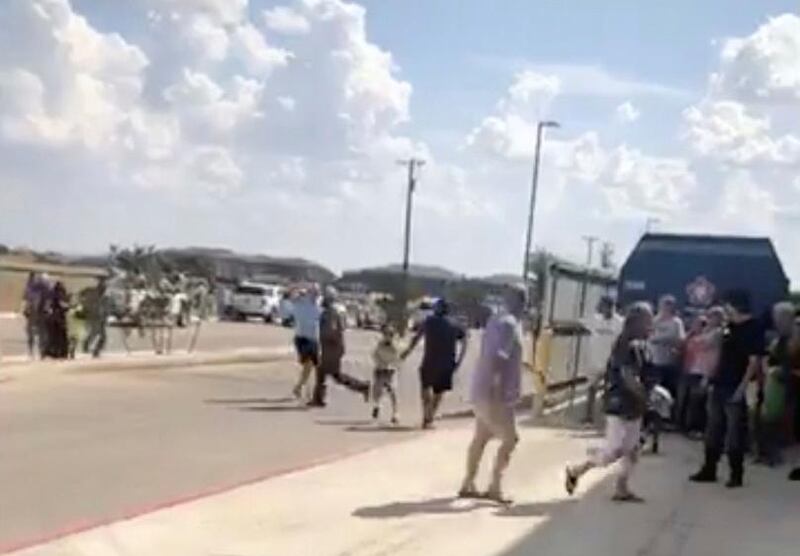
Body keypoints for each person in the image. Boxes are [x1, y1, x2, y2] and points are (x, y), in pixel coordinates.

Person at [565, 302, 653, 503]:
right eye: (647, 319)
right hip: (620, 403)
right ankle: (576, 470)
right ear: (636, 321)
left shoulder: (640, 343)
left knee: (632, 450)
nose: (650, 323)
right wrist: (644, 395)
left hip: (633, 404)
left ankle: (622, 488)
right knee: (612, 451)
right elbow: (627, 375)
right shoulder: (625, 343)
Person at [690, 290, 765, 488]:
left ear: (736, 305)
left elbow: (754, 361)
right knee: (713, 428)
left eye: (728, 305)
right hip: (720, 382)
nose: (725, 309)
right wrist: (710, 376)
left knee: (734, 432)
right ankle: (709, 468)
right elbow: (720, 354)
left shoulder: (754, 328)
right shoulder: (729, 327)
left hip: (736, 384)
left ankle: (736, 474)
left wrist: (742, 388)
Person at [459, 284, 526, 505]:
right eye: (524, 299)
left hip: (481, 389)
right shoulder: (510, 325)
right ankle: (495, 487)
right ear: (520, 301)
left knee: (482, 437)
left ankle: (468, 483)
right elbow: (499, 357)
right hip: (496, 393)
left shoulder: (496, 320)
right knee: (510, 439)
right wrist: (497, 389)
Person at [401, 298, 468, 429]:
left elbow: (416, 338)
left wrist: (406, 352)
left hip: (430, 361)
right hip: (447, 363)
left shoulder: (429, 322)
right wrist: (459, 361)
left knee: (426, 388)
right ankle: (429, 418)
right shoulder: (455, 325)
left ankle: (427, 416)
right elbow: (465, 343)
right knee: (439, 392)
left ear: (437, 309)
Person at [309, 287, 370, 407]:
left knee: (334, 375)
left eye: (324, 298)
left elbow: (332, 330)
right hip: (333, 347)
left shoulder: (330, 312)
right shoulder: (335, 310)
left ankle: (362, 386)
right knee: (324, 373)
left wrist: (323, 340)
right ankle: (318, 399)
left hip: (331, 348)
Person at [758, 302, 800, 466]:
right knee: (769, 415)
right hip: (780, 380)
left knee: (780, 416)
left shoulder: (796, 335)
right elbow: (772, 357)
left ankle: (775, 452)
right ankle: (768, 452)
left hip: (792, 380)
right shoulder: (780, 337)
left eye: (780, 317)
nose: (777, 320)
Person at [582, 295, 624, 424]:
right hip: (595, 360)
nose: (604, 309)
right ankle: (589, 417)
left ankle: (607, 417)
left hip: (611, 361)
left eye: (607, 306)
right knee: (591, 388)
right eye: (603, 306)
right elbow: (579, 322)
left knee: (608, 390)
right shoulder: (595, 319)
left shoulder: (620, 322)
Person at [648, 295, 685, 405]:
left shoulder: (676, 322)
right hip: (653, 360)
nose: (664, 309)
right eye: (662, 306)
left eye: (667, 306)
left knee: (667, 390)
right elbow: (648, 335)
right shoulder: (654, 320)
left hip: (668, 362)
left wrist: (659, 339)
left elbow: (679, 339)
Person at [290, 287, 322, 401]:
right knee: (309, 365)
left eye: (317, 293)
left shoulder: (316, 306)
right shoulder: (304, 303)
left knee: (309, 366)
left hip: (309, 338)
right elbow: (291, 295)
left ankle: (300, 388)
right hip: (304, 338)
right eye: (314, 293)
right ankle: (301, 388)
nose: (316, 295)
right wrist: (299, 291)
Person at [371, 324, 401, 424]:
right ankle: (377, 405)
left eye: (391, 334)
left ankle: (395, 414)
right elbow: (375, 355)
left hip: (391, 371)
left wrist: (392, 365)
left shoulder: (396, 346)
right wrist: (379, 363)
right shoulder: (380, 344)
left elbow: (398, 358)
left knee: (393, 392)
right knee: (377, 390)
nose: (388, 336)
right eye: (386, 334)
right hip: (380, 369)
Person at [83, 277, 109, 358]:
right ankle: (87, 346)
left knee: (102, 336)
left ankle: (96, 350)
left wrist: (106, 316)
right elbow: (88, 304)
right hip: (94, 317)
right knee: (95, 333)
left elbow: (106, 308)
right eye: (102, 286)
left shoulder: (105, 296)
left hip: (101, 318)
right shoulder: (93, 294)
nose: (103, 288)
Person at [43, 281, 70, 359]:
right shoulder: (59, 296)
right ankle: (58, 352)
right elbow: (64, 306)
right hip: (58, 319)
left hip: (52, 319)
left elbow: (47, 308)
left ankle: (52, 352)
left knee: (53, 337)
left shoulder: (50, 296)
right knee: (60, 336)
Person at [21, 272, 43, 358]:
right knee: (33, 333)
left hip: (35, 313)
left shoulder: (33, 290)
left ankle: (34, 351)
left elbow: (25, 301)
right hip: (33, 313)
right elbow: (25, 301)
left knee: (34, 333)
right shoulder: (32, 290)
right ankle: (33, 351)